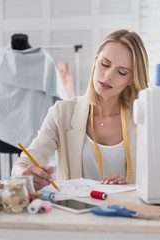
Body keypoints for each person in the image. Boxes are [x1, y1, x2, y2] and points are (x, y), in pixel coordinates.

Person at [11, 29, 150, 190]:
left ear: (132, 79)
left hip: (126, 210)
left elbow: (158, 174)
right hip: (76, 213)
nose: (108, 76)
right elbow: (24, 162)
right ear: (96, 59)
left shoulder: (144, 119)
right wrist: (24, 174)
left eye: (121, 72)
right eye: (105, 64)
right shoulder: (62, 113)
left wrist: (132, 186)